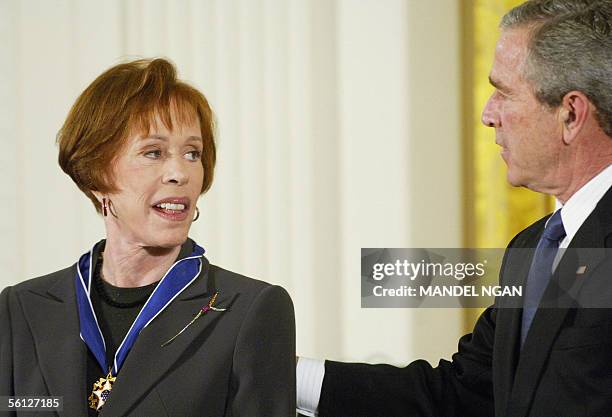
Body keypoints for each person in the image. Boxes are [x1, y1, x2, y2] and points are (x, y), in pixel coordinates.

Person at [297, 1, 612, 416]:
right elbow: (463, 394)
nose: (487, 114)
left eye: (504, 92)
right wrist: (281, 374)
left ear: (570, 113)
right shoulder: (530, 248)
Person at [0, 58, 295, 416]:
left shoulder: (249, 311)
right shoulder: (22, 309)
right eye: (153, 152)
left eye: (193, 153)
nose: (179, 173)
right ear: (96, 174)